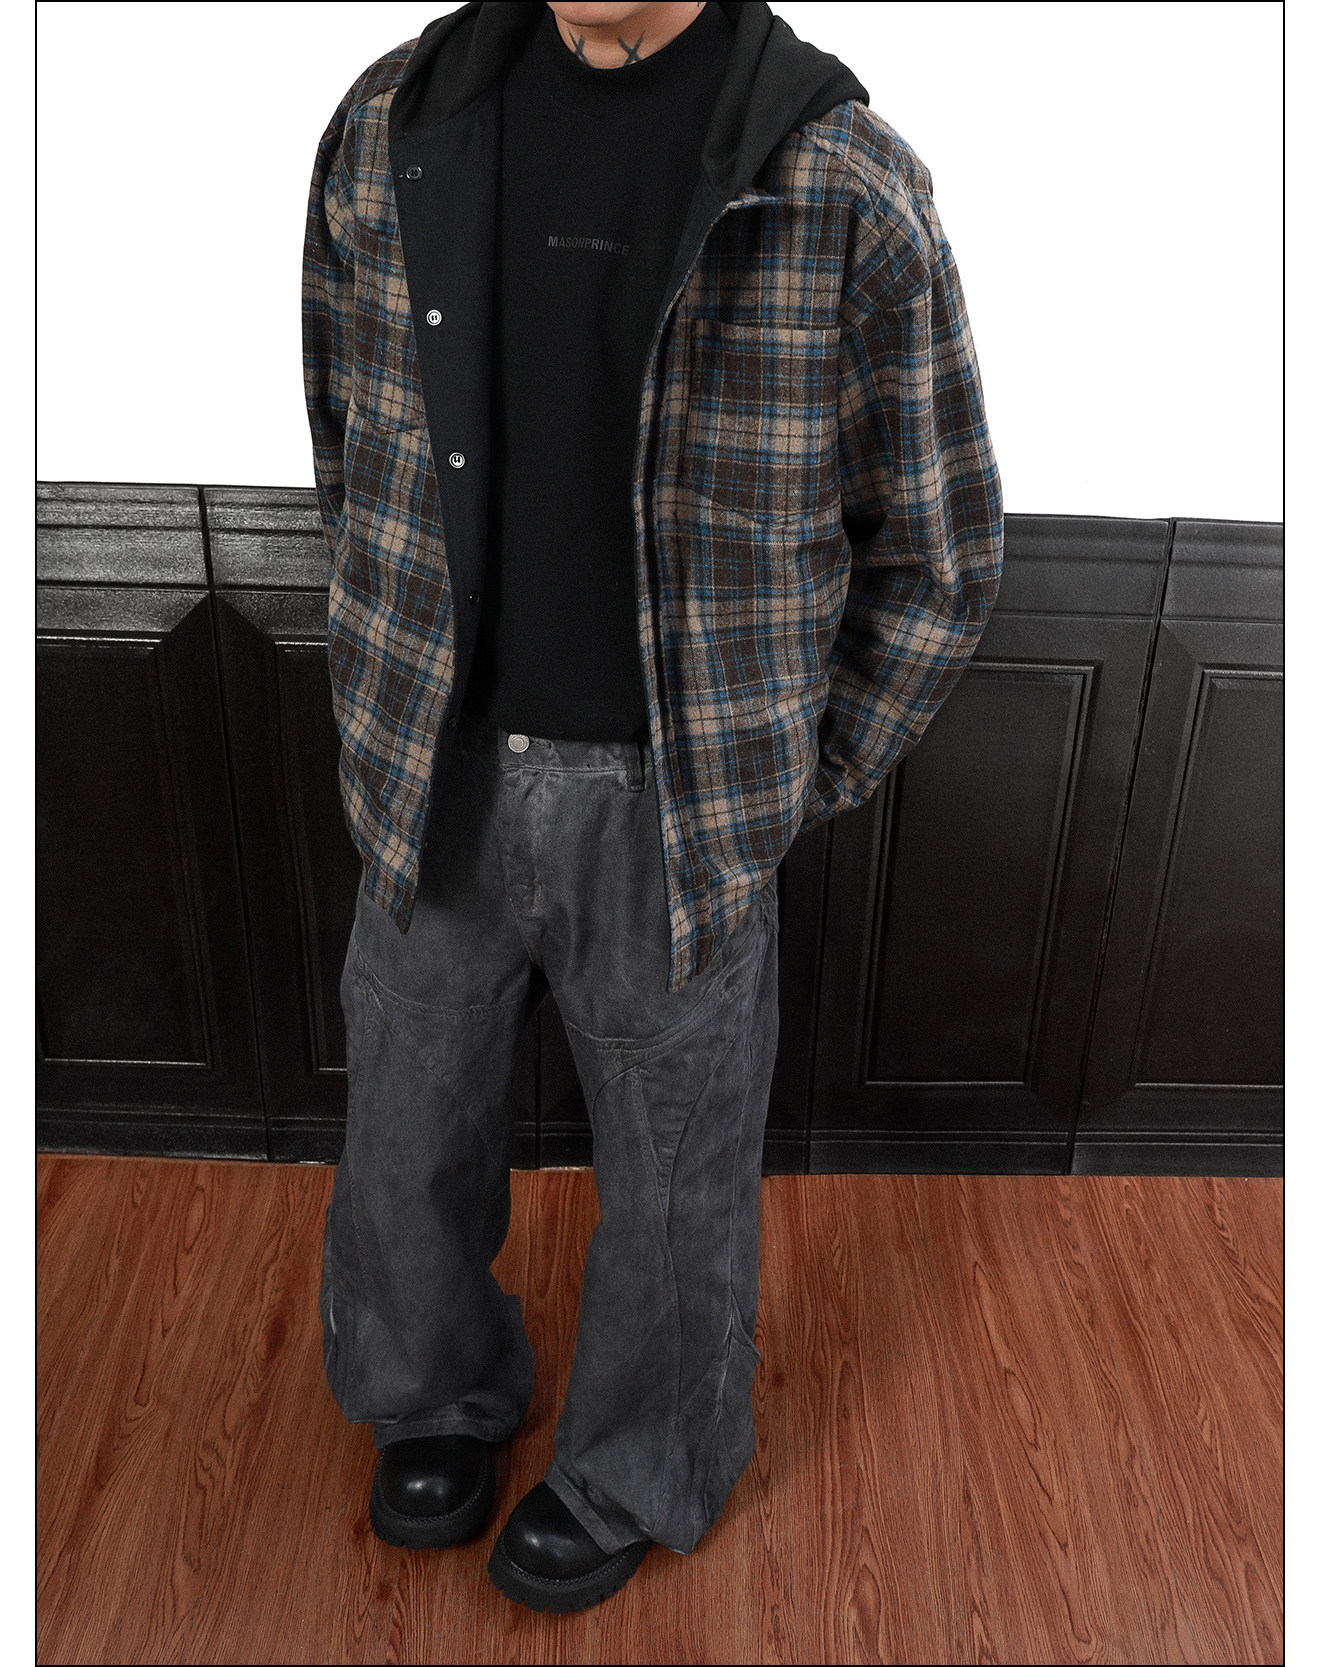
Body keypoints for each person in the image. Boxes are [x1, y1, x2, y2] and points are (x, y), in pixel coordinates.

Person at [301, 0, 1002, 1615]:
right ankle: (430, 1397)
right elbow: (351, 433)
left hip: (676, 806)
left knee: (678, 1183)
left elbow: (942, 548)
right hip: (435, 765)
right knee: (403, 1131)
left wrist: (793, 774)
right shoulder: (392, 124)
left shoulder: (840, 182)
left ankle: (636, 1465)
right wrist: (389, 659)